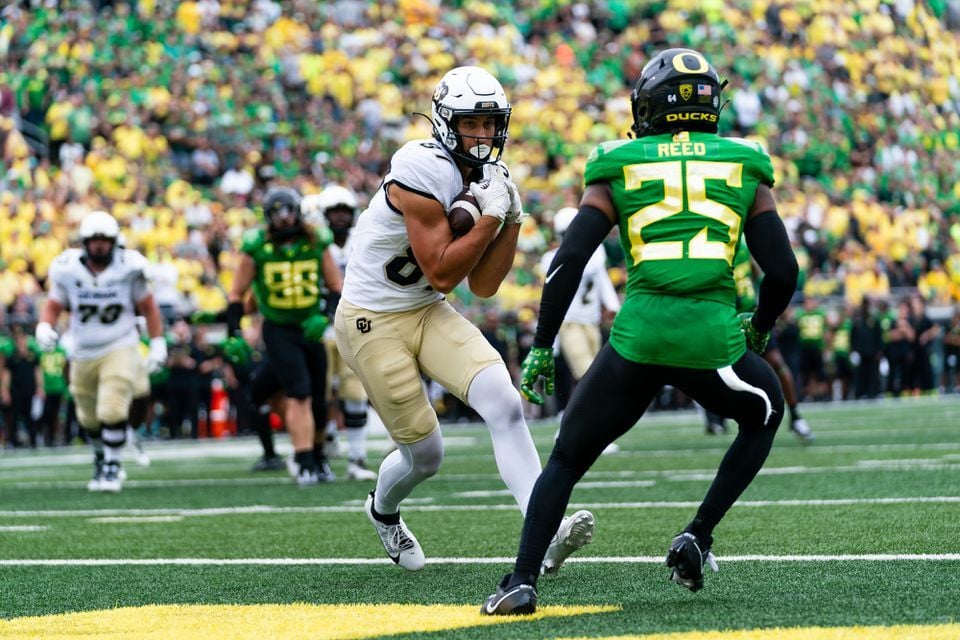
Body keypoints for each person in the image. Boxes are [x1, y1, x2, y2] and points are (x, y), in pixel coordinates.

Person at [482, 48, 798, 615]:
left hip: (637, 337)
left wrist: (542, 345)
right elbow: (783, 270)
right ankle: (698, 534)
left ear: (649, 106)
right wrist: (761, 325)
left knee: (565, 460)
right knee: (767, 410)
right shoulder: (746, 162)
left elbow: (568, 259)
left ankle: (521, 580)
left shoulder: (617, 162)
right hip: (711, 337)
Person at [335, 66, 594, 573]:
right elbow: (442, 269)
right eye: (473, 122)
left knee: (504, 402)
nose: (485, 135)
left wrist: (510, 219)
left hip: (425, 308)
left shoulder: (487, 177)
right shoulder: (419, 164)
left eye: (492, 122)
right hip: (372, 318)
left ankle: (541, 532)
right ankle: (382, 509)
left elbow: (484, 285)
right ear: (446, 122)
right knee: (426, 457)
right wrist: (491, 216)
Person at [36, 211, 167, 492]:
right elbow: (54, 303)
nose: (99, 245)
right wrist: (44, 325)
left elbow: (149, 307)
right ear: (84, 242)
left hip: (120, 342)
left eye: (104, 240)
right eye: (94, 240)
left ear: (114, 242)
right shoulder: (67, 268)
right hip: (83, 348)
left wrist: (157, 342)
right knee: (87, 415)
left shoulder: (129, 267)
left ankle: (112, 465)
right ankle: (100, 456)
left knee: (113, 402)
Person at [226, 185, 343, 485]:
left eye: (288, 213)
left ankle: (317, 456)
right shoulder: (258, 246)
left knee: (319, 399)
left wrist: (323, 316)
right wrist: (234, 331)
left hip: (310, 326)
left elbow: (335, 286)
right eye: (277, 215)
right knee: (299, 392)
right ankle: (303, 459)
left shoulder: (316, 240)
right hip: (278, 327)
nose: (284, 220)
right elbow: (237, 293)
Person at [303, 185, 378, 481]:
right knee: (319, 396)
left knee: (355, 393)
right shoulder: (313, 245)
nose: (338, 219)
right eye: (333, 213)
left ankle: (356, 459)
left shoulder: (362, 241)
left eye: (343, 213)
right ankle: (321, 448)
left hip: (353, 326)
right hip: (320, 327)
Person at [705, 239, 812, 440]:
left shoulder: (744, 248)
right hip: (728, 320)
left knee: (777, 363)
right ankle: (715, 417)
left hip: (751, 317)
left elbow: (758, 275)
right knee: (720, 371)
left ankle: (796, 416)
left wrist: (770, 306)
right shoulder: (713, 251)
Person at [543, 206, 622, 453]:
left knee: (593, 377)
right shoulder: (554, 257)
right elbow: (583, 267)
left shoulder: (594, 254)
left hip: (590, 322)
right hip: (569, 323)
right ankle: (574, 429)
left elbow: (601, 280)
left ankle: (582, 429)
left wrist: (611, 305)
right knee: (588, 375)